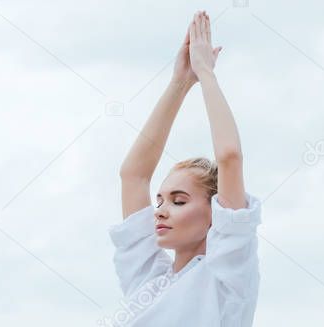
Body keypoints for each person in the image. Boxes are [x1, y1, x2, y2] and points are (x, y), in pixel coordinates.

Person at [107, 10, 261, 327]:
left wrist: (206, 74)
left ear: (215, 214)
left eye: (179, 201)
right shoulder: (146, 279)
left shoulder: (228, 275)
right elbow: (133, 175)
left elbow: (230, 156)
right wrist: (179, 82)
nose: (161, 211)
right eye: (160, 201)